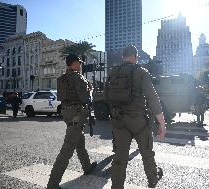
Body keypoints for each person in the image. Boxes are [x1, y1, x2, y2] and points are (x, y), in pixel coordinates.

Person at [107, 45, 166, 189]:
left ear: (123, 57)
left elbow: (106, 96)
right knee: (146, 153)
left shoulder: (112, 72)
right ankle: (152, 179)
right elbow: (152, 98)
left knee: (119, 158)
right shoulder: (141, 72)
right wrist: (162, 124)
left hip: (118, 120)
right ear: (135, 56)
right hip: (138, 120)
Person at [47, 54, 97, 189]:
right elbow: (85, 98)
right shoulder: (77, 77)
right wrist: (90, 90)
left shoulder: (63, 78)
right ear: (73, 64)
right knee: (66, 151)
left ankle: (87, 167)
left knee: (79, 143)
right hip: (77, 114)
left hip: (67, 113)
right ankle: (52, 184)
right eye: (78, 63)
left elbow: (63, 97)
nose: (80, 65)